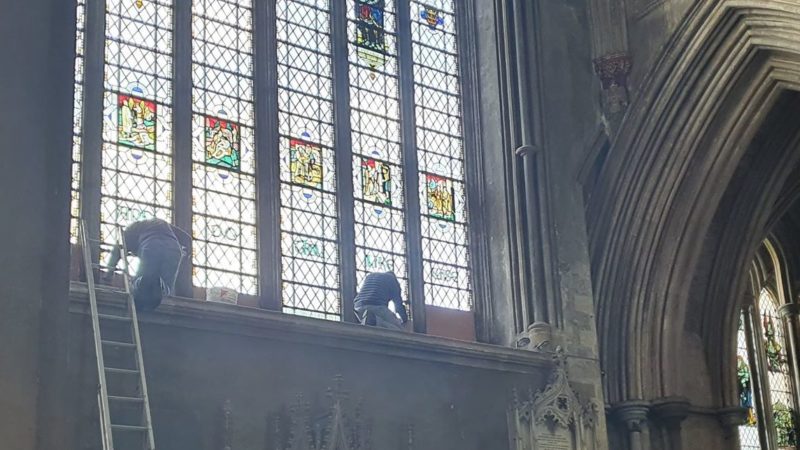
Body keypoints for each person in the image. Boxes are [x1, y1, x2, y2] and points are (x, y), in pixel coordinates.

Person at [104, 218, 189, 311]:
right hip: (174, 251)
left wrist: (109, 273)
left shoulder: (130, 230)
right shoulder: (161, 224)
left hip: (152, 246)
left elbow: (116, 250)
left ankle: (139, 305)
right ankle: (157, 292)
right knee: (166, 287)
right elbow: (187, 238)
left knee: (143, 281)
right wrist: (185, 255)